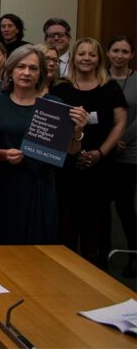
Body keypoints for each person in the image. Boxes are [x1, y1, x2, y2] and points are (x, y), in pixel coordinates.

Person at [0, 45, 87, 244]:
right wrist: (3, 154)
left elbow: (71, 151)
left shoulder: (54, 104)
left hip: (40, 186)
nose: (26, 73)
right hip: (5, 185)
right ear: (10, 71)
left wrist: (77, 131)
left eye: (33, 68)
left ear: (41, 74)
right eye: (21, 67)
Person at [51, 38, 127, 266]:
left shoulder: (110, 87)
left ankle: (96, 269)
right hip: (67, 165)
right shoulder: (60, 88)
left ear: (99, 59)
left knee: (96, 226)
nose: (86, 58)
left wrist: (100, 153)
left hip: (101, 167)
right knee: (66, 223)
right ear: (74, 58)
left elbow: (119, 124)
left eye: (91, 54)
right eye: (81, 54)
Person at [106, 35, 136, 277]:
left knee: (126, 207)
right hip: (103, 152)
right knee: (102, 208)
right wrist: (108, 144)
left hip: (129, 152)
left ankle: (133, 255)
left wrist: (121, 139)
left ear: (132, 55)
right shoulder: (101, 78)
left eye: (124, 51)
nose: (119, 55)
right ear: (108, 53)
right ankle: (103, 256)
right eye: (115, 50)